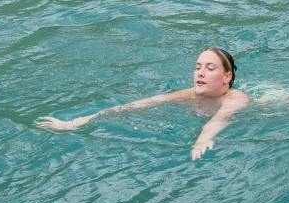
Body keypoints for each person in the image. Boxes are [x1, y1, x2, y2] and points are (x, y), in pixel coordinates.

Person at [36, 48, 251, 160]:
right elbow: (143, 104)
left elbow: (219, 119)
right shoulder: (190, 94)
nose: (200, 73)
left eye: (210, 68)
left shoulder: (236, 99)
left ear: (227, 76)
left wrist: (202, 141)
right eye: (197, 67)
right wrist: (75, 123)